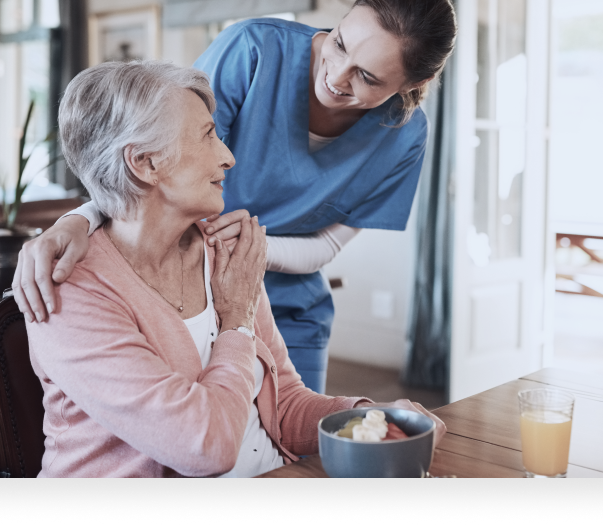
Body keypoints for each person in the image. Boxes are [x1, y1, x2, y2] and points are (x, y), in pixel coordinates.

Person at [13, 0, 458, 395]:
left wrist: (250, 253)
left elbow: (327, 247)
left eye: (367, 77)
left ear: (414, 84)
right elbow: (151, 157)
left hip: (289, 306)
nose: (336, 76)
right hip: (183, 289)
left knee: (292, 450)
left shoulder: (404, 136)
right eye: (339, 44)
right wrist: (79, 219)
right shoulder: (253, 50)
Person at [27, 60, 446, 477]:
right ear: (146, 164)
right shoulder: (69, 291)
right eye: (208, 135)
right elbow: (206, 447)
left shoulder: (223, 253)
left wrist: (370, 418)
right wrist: (237, 321)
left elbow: (283, 404)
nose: (227, 157)